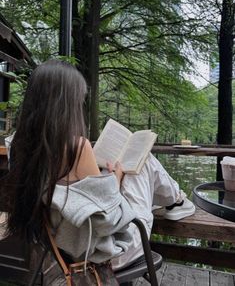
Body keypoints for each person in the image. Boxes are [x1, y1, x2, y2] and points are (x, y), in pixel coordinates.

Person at [5, 59, 195, 272]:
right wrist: (115, 180)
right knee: (144, 161)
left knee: (130, 167)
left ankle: (174, 200)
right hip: (101, 257)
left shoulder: (16, 145)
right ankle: (176, 200)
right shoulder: (77, 148)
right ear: (68, 104)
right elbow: (110, 221)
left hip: (52, 250)